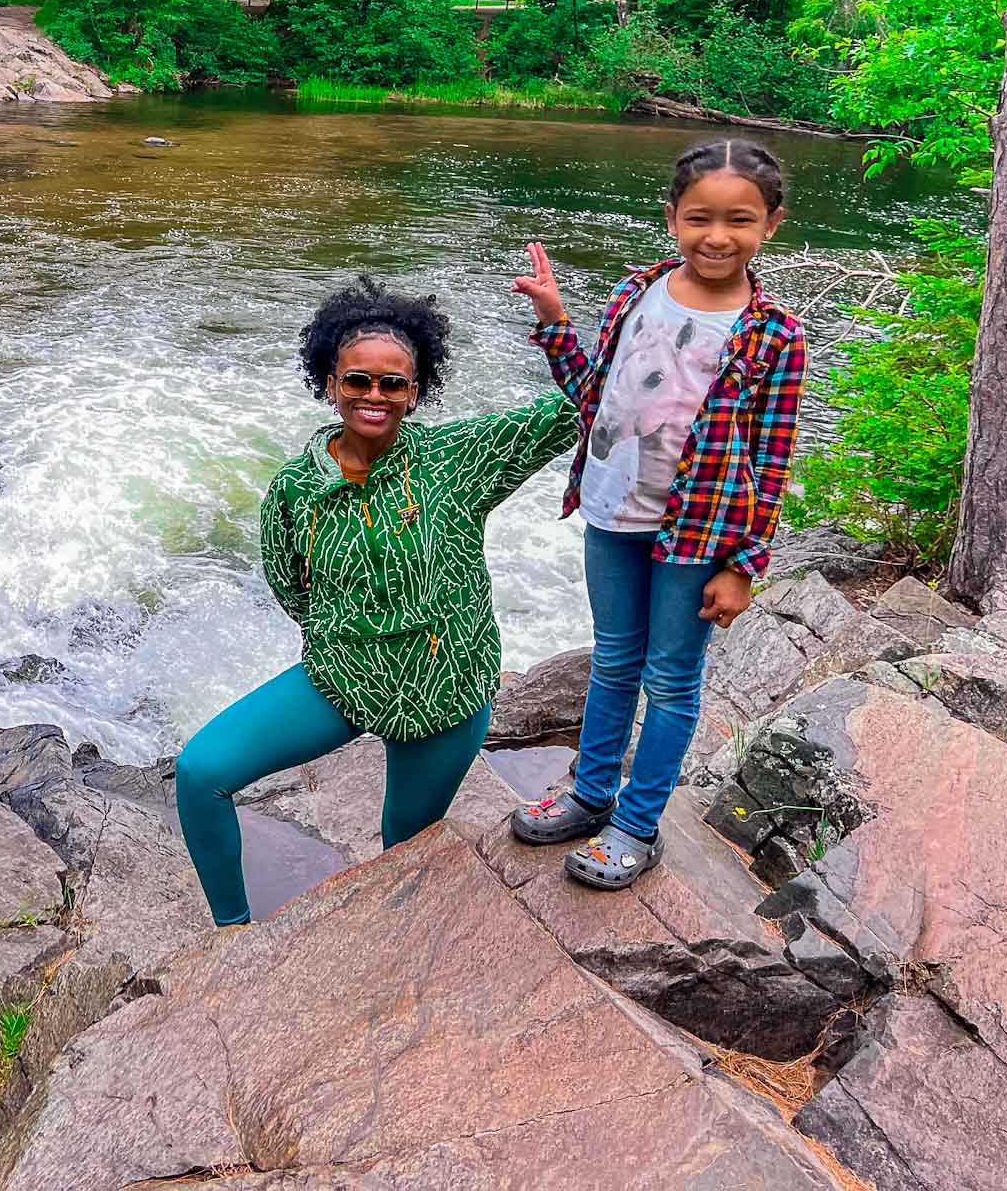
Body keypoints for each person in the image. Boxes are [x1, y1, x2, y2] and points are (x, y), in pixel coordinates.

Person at [175, 278, 578, 926]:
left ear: (417, 393)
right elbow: (290, 586)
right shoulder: (295, 487)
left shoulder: (458, 458)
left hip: (442, 696)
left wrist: (556, 322)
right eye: (358, 380)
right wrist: (356, 639)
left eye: (395, 384)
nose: (375, 396)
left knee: (401, 858)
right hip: (342, 680)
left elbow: (578, 408)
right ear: (330, 384)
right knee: (200, 773)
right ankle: (232, 934)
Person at [509, 138, 807, 889]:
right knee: (612, 662)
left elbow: (771, 461)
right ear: (672, 217)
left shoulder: (776, 335)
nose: (717, 235)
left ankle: (637, 826)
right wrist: (554, 324)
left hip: (700, 534)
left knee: (672, 680)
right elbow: (595, 403)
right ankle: (589, 794)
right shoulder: (635, 293)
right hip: (612, 513)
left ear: (771, 224)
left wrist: (746, 565)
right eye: (699, 217)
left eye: (739, 220)